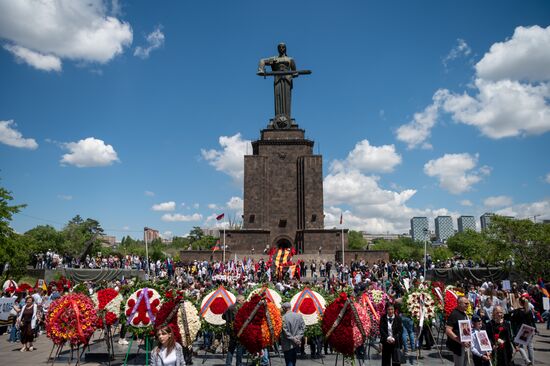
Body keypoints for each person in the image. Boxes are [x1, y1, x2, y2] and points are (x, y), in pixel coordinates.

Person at [257, 43, 297, 120]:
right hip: (277, 79)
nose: (281, 49)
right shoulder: (274, 59)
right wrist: (261, 69)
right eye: (280, 47)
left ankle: (287, 118)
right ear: (278, 49)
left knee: (287, 97)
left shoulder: (290, 59)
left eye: (283, 47)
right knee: (278, 97)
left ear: (285, 49)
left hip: (287, 80)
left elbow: (295, 71)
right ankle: (278, 118)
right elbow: (262, 61)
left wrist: (294, 74)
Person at [445, 296, 470, 366]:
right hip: (458, 346)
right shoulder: (454, 314)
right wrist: (460, 341)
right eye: (466, 303)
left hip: (465, 344)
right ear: (459, 303)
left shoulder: (464, 313)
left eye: (468, 303)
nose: (467, 305)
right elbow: (448, 330)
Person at [511, 297, 536, 365]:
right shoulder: (529, 311)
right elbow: (532, 322)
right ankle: (532, 363)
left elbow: (513, 322)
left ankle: (527, 360)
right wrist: (534, 330)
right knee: (530, 347)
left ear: (520, 303)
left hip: (520, 330)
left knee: (520, 346)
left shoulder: (516, 311)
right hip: (529, 329)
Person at [280, 302, 305, 366]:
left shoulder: (283, 318)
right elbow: (303, 328)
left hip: (287, 344)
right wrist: (298, 337)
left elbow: (285, 331)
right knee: (293, 361)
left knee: (289, 362)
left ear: (284, 308)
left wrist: (294, 339)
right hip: (296, 343)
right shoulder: (298, 316)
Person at [223, 295, 245, 366]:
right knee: (239, 348)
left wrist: (228, 320)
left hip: (231, 331)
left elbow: (223, 316)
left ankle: (228, 363)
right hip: (239, 331)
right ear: (239, 300)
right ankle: (239, 364)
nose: (244, 302)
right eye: (243, 300)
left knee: (231, 348)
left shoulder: (230, 307)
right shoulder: (241, 308)